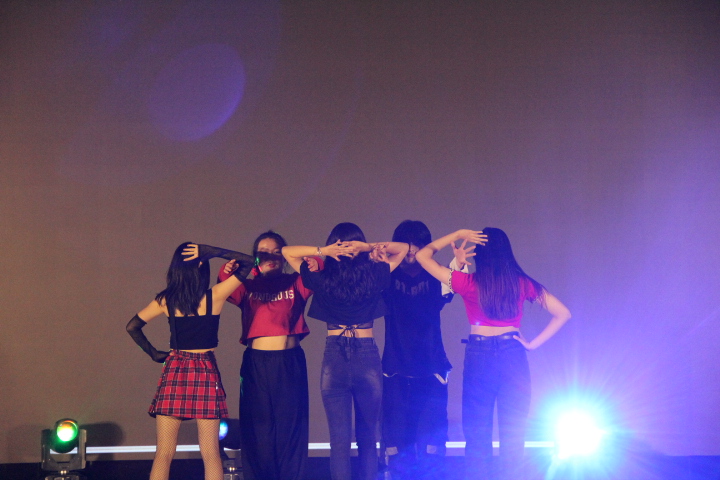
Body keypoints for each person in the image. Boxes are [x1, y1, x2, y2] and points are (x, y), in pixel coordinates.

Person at [416, 228, 571, 480]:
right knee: (513, 437)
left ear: (480, 255)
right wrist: (532, 344)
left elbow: (423, 256)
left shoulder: (468, 282)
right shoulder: (522, 283)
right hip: (514, 355)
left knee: (477, 436)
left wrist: (458, 234)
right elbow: (563, 313)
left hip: (479, 355)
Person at [281, 223, 409, 480]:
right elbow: (403, 249)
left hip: (335, 355)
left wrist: (323, 251)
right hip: (366, 354)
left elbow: (287, 252)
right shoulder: (374, 273)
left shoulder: (322, 278)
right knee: (367, 438)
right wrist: (367, 247)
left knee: (339, 441)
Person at [126, 242, 254, 480]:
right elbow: (249, 261)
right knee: (211, 452)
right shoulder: (215, 295)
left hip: (176, 368)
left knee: (164, 453)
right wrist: (212, 251)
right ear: (201, 268)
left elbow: (132, 326)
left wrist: (154, 353)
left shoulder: (166, 300)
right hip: (205, 369)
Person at [215, 231, 315, 480]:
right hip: (257, 364)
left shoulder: (295, 281)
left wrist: (294, 256)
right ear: (255, 258)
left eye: (276, 252)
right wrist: (234, 268)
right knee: (258, 429)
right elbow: (223, 283)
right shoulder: (248, 286)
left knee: (291, 427)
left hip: (289, 362)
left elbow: (318, 266)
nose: (271, 257)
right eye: (263, 253)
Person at [381, 220, 468, 479]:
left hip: (432, 369)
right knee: (398, 447)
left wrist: (458, 264)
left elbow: (453, 281)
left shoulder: (434, 275)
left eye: (416, 245)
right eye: (405, 244)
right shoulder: (386, 276)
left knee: (432, 446)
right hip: (395, 369)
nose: (411, 250)